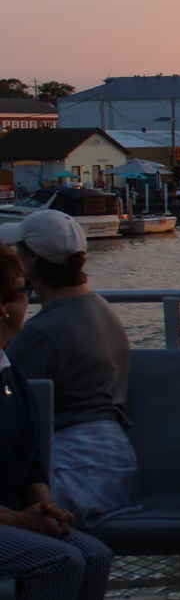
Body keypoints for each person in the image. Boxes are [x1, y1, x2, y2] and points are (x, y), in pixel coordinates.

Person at [0, 243, 112, 600]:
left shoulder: (8, 372)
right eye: (25, 294)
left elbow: (27, 462)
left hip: (12, 515)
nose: (31, 301)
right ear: (7, 306)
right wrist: (20, 519)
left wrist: (42, 503)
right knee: (57, 564)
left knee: (92, 554)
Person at [0, 210, 139, 527]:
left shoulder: (41, 333)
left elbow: (14, 418)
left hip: (75, 471)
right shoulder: (102, 310)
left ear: (30, 261)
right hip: (114, 465)